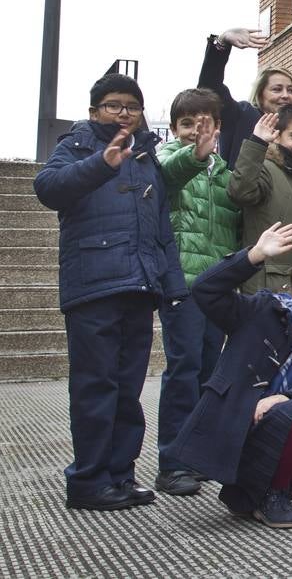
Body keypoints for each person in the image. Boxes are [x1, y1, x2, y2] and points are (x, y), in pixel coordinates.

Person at [35, 73, 188, 511]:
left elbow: (161, 227)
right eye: (114, 105)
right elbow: (47, 189)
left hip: (140, 286)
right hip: (94, 287)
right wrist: (101, 163)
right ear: (93, 111)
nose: (124, 113)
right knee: (94, 388)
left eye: (132, 107)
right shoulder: (77, 144)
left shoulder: (146, 155)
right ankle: (87, 482)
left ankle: (119, 476)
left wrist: (172, 286)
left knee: (127, 389)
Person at [163, 224, 292, 527]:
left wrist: (285, 398)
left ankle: (250, 491)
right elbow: (204, 290)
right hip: (242, 429)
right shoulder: (263, 309)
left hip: (288, 439)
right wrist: (253, 256)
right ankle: (270, 493)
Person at [154, 87, 241, 497]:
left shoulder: (226, 174)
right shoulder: (168, 160)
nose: (195, 130)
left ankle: (200, 456)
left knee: (210, 371)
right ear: (174, 128)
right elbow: (172, 173)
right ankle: (172, 463)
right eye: (187, 123)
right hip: (181, 285)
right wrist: (196, 155)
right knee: (183, 369)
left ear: (218, 126)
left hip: (216, 288)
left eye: (204, 122)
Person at [227, 105, 292, 294]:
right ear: (277, 136)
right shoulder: (266, 169)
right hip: (266, 288)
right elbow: (239, 191)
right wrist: (257, 143)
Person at [197, 27, 292, 168]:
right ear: (260, 95)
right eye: (277, 89)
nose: (285, 95)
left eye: (291, 90)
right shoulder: (242, 115)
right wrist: (222, 43)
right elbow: (209, 88)